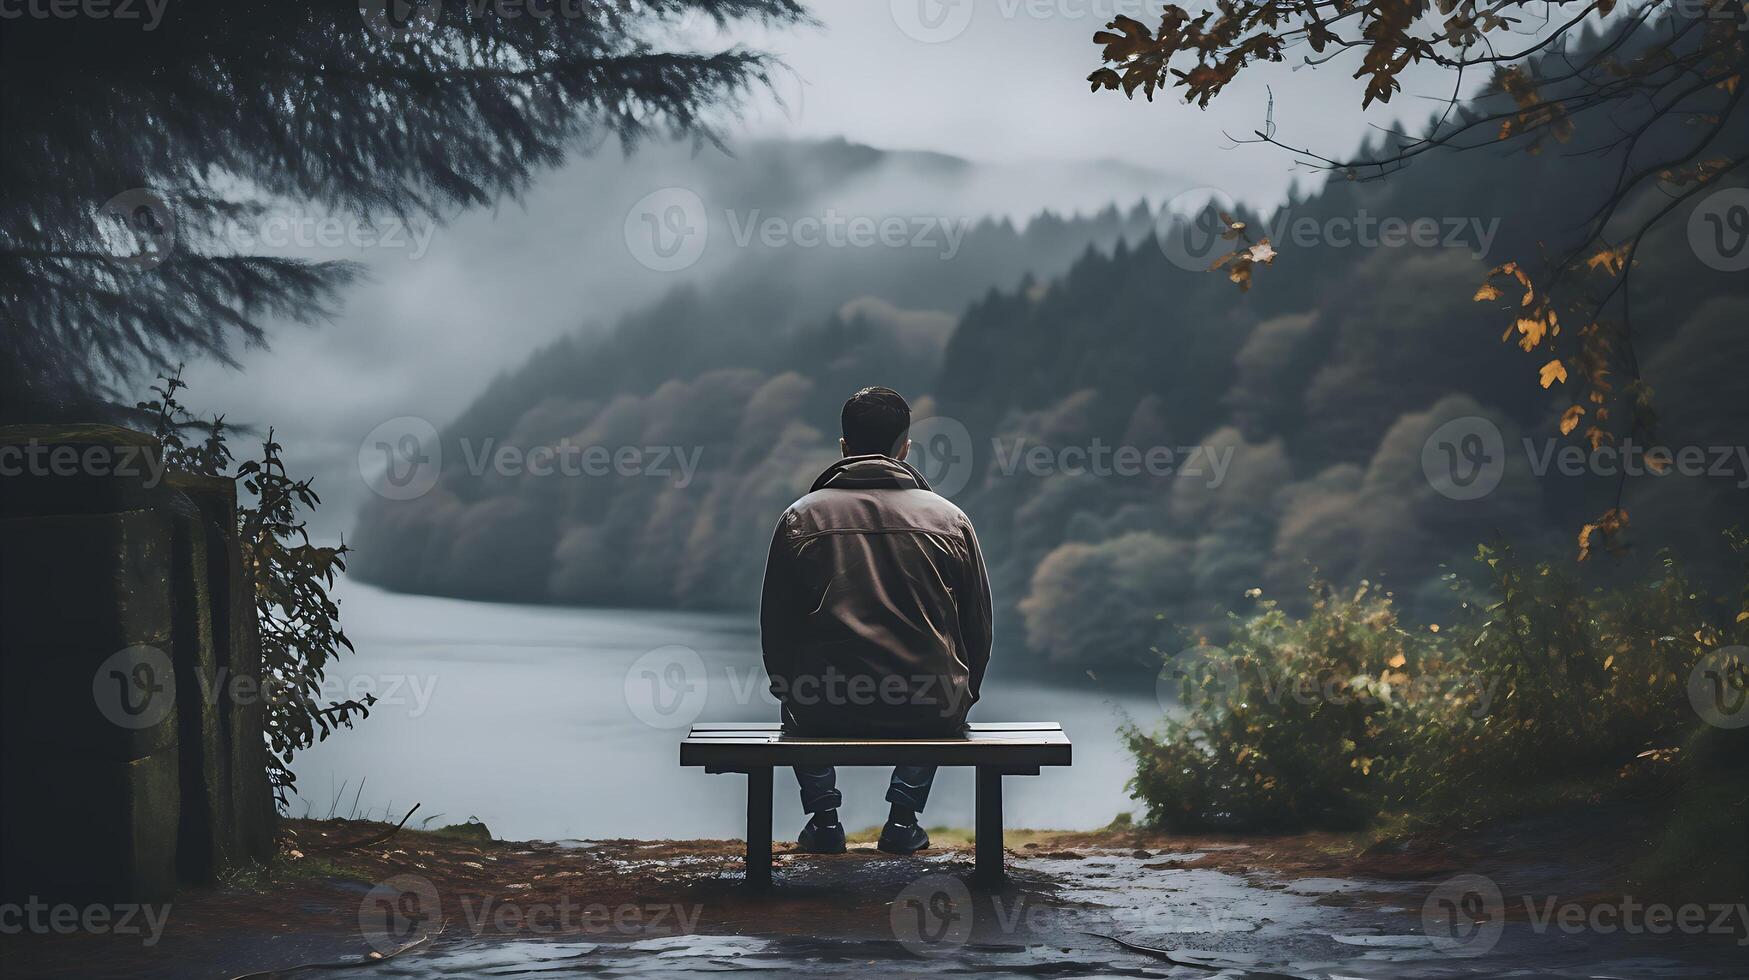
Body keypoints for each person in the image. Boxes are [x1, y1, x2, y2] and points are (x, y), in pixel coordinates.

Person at [759, 386, 993, 855]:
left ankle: (825, 822)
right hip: (931, 707)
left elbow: (776, 628)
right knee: (937, 682)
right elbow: (978, 628)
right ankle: (903, 822)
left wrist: (788, 687)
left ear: (843, 446)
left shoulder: (800, 518)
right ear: (905, 448)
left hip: (821, 705)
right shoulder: (951, 519)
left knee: (797, 693)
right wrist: (966, 691)